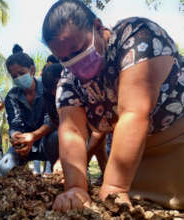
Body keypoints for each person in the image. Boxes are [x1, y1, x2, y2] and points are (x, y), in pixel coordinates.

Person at [42, 0, 184, 211]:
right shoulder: (69, 81)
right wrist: (75, 188)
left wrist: (114, 186)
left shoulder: (138, 36)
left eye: (78, 50)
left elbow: (134, 113)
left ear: (98, 27)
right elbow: (71, 132)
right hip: (134, 167)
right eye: (64, 59)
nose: (74, 62)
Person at [0, 45, 59, 179]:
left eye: (21, 73)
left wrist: (33, 136)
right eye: (14, 76)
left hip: (48, 142)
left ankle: (63, 170)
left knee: (58, 137)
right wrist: (17, 138)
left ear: (32, 70)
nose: (18, 78)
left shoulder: (47, 89)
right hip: (24, 144)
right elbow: (15, 124)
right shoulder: (11, 96)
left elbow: (52, 120)